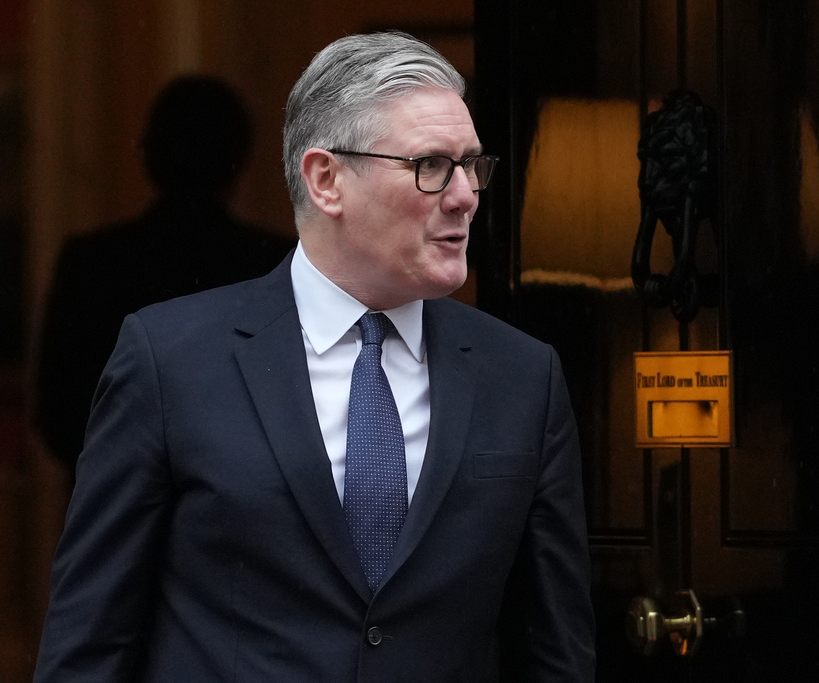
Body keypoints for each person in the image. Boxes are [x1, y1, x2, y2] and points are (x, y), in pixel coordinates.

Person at [33, 32, 595, 682]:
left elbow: (556, 653)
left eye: (473, 164)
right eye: (432, 165)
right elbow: (89, 646)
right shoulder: (169, 361)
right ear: (326, 179)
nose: (467, 194)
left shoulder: (524, 377)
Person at [34, 75, 293, 477]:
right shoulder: (275, 264)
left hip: (117, 517)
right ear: (240, 157)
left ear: (148, 152)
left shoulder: (94, 263)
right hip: (242, 522)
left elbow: (60, 415)